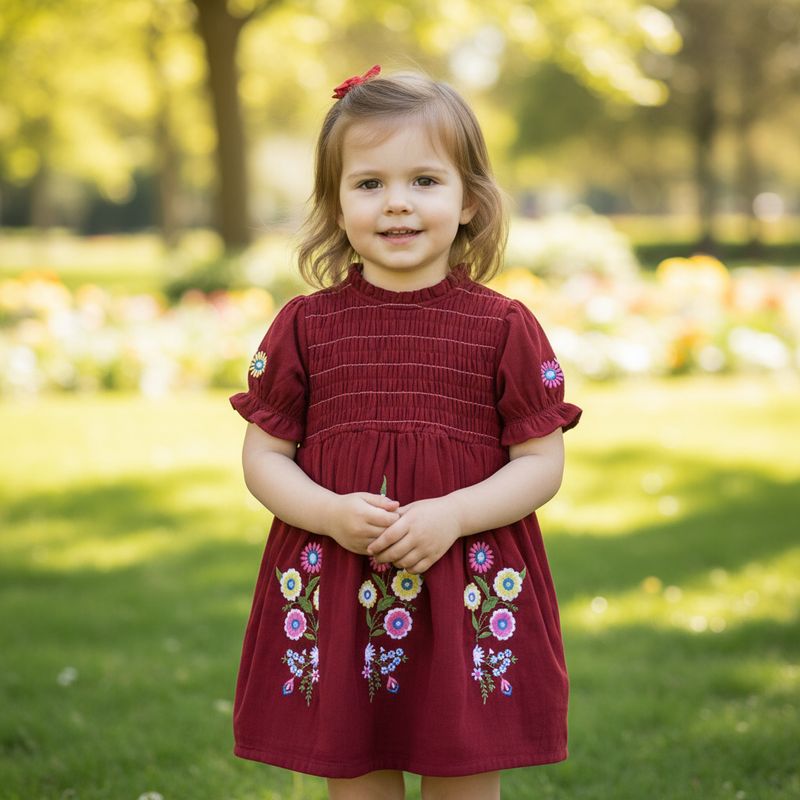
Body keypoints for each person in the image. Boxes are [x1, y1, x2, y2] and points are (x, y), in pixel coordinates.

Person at [228, 64, 583, 800]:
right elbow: (264, 457)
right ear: (335, 203)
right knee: (356, 775)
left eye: (424, 181)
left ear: (469, 202)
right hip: (340, 586)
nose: (396, 204)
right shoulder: (305, 326)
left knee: (461, 772)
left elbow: (540, 464)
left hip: (464, 593)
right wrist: (327, 512)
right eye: (369, 184)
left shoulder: (504, 327)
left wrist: (453, 513)